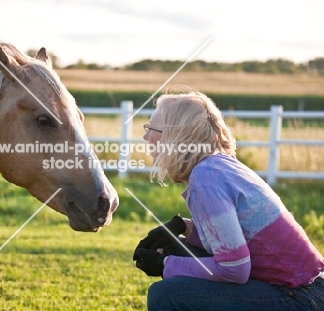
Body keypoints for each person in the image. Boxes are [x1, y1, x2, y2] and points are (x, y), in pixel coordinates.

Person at [133, 89, 324, 311]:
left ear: (178, 135)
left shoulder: (206, 178)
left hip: (301, 297)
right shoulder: (217, 166)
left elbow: (234, 268)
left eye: (152, 129)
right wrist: (183, 227)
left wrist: (165, 264)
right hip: (308, 289)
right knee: (177, 251)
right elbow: (231, 241)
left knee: (164, 296)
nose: (146, 137)